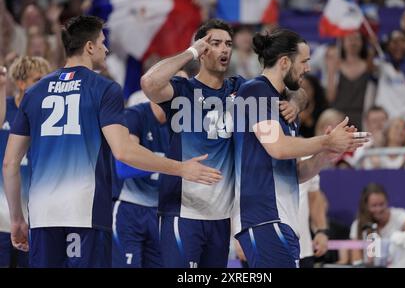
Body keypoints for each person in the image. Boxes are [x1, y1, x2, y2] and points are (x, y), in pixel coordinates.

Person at [2, 15, 221, 268]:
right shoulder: (105, 89)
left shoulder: (33, 92)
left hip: (41, 215)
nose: (106, 49)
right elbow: (124, 151)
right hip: (86, 213)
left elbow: (10, 164)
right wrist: (181, 168)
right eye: (102, 42)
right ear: (89, 47)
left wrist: (17, 219)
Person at [140, 18, 299, 268]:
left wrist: (295, 103)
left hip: (222, 216)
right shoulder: (182, 91)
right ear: (202, 50)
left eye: (228, 44)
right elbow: (149, 83)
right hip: (183, 211)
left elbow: (294, 85)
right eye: (215, 43)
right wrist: (191, 51)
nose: (224, 49)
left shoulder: (242, 90)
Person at [233, 28, 367, 268]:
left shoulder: (287, 106)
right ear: (284, 62)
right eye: (304, 61)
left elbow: (297, 173)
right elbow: (278, 147)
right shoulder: (254, 91)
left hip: (286, 219)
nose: (308, 68)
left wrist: (326, 153)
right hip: (263, 217)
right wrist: (326, 140)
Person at [0, 56, 50, 268]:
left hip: (35, 220)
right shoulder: (5, 110)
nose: (44, 85)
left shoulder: (50, 116)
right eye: (38, 79)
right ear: (21, 83)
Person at [112, 101, 169, 268]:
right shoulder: (134, 115)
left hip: (162, 211)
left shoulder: (182, 123)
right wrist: (171, 165)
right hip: (130, 208)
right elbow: (124, 166)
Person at [349, 183, 405, 266]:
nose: (378, 209)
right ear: (366, 206)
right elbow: (356, 260)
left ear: (387, 201)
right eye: (374, 206)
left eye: (382, 204)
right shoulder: (358, 225)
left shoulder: (400, 215)